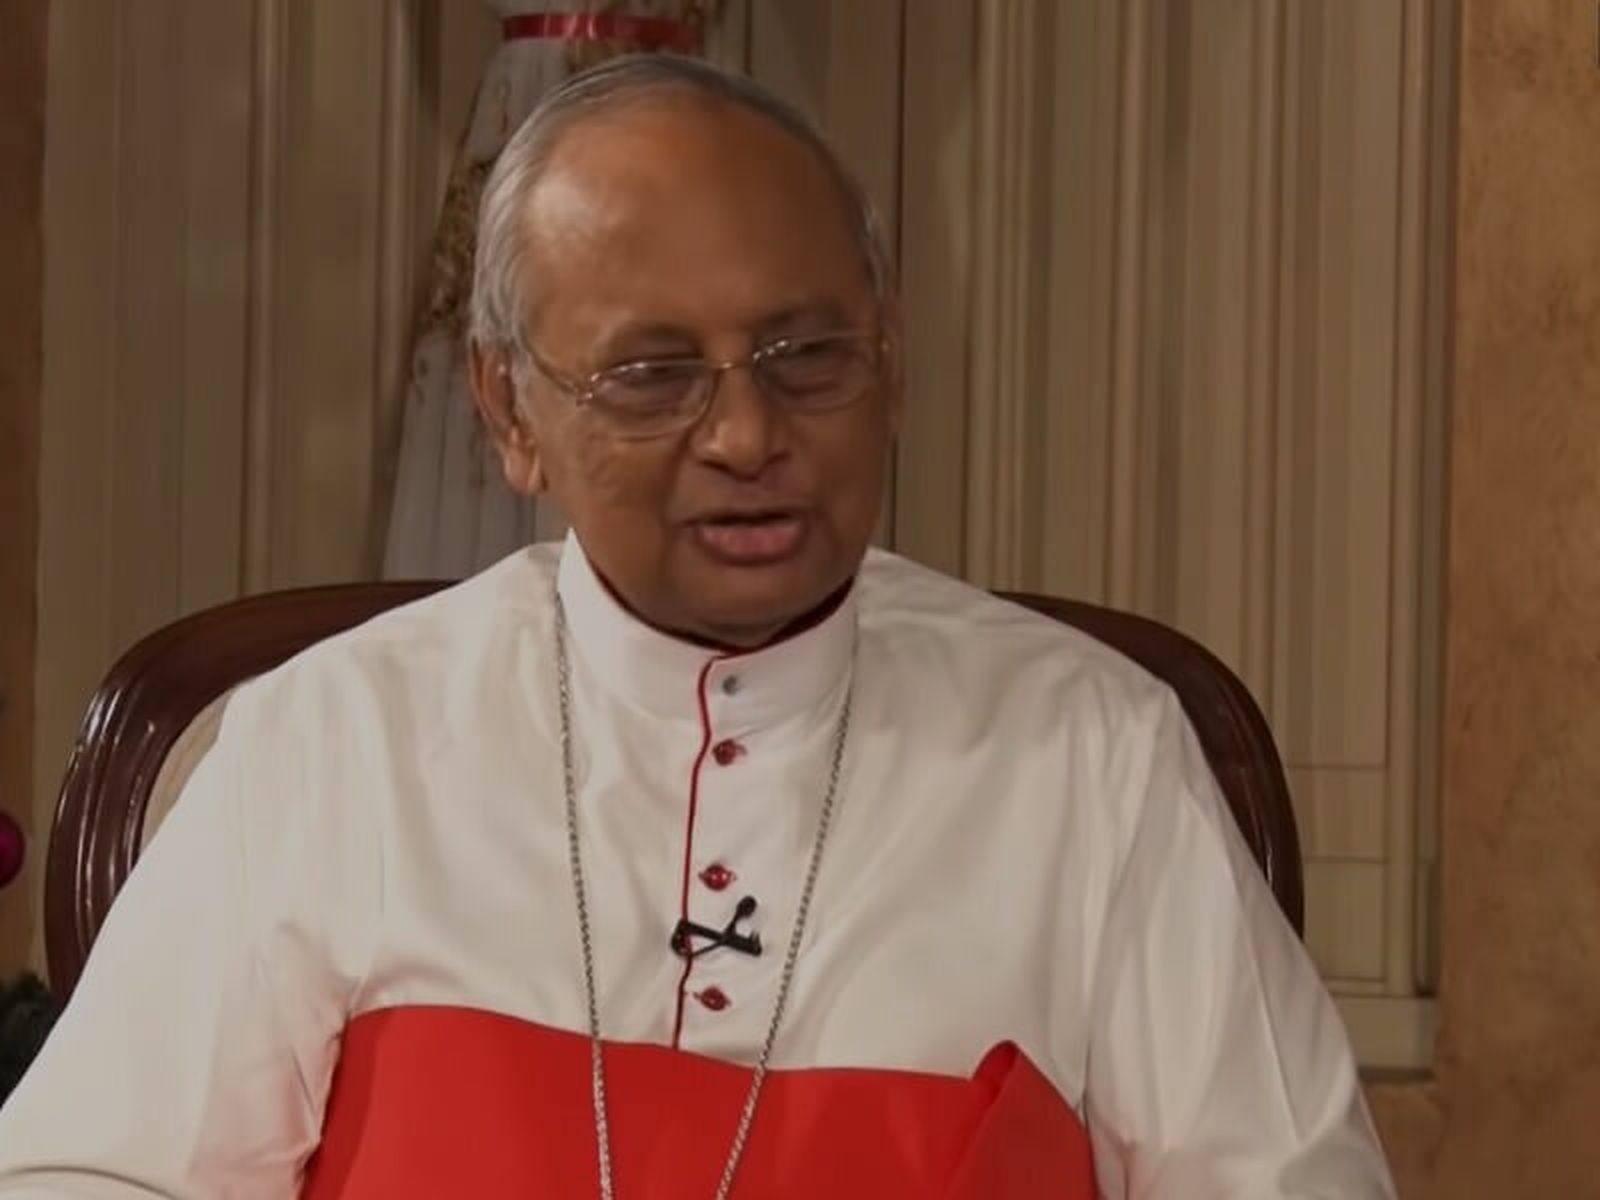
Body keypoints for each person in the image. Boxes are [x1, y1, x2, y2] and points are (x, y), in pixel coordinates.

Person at [0, 55, 1395, 1198]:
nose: (743, 435)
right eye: (652, 374)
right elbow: (94, 1175)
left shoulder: (1098, 753)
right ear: (508, 411)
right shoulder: (333, 739)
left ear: (892, 357)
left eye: (807, 358)